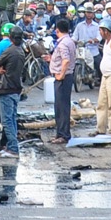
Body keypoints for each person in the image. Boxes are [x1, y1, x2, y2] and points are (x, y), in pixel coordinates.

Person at [0, 27, 24, 157]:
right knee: (12, 119)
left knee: (7, 120)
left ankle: (13, 148)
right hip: (16, 89)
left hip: (5, 88)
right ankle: (10, 146)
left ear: (11, 38)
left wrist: (0, 67)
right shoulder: (21, 51)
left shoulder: (9, 51)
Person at [47, 16, 76, 145]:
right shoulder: (68, 41)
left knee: (62, 107)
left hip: (63, 77)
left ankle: (63, 134)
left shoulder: (63, 43)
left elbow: (66, 60)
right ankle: (60, 133)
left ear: (57, 30)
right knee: (60, 106)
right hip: (65, 76)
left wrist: (61, 75)